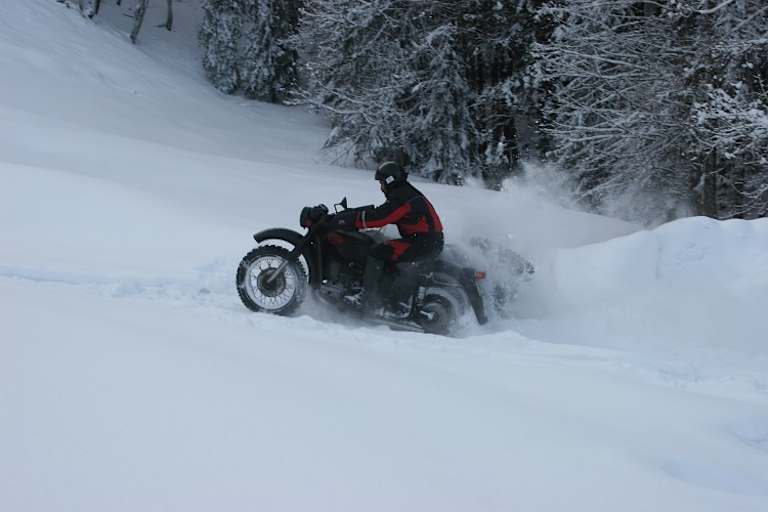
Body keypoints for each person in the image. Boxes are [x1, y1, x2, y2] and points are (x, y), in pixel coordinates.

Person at [332, 161, 444, 312]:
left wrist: (350, 219)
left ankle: (366, 299)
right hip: (425, 240)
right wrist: (351, 213)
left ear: (391, 180)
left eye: (382, 182)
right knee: (382, 244)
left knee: (377, 252)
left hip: (422, 243)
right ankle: (385, 294)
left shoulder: (402, 197)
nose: (381, 187)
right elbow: (382, 211)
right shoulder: (404, 192)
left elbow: (381, 217)